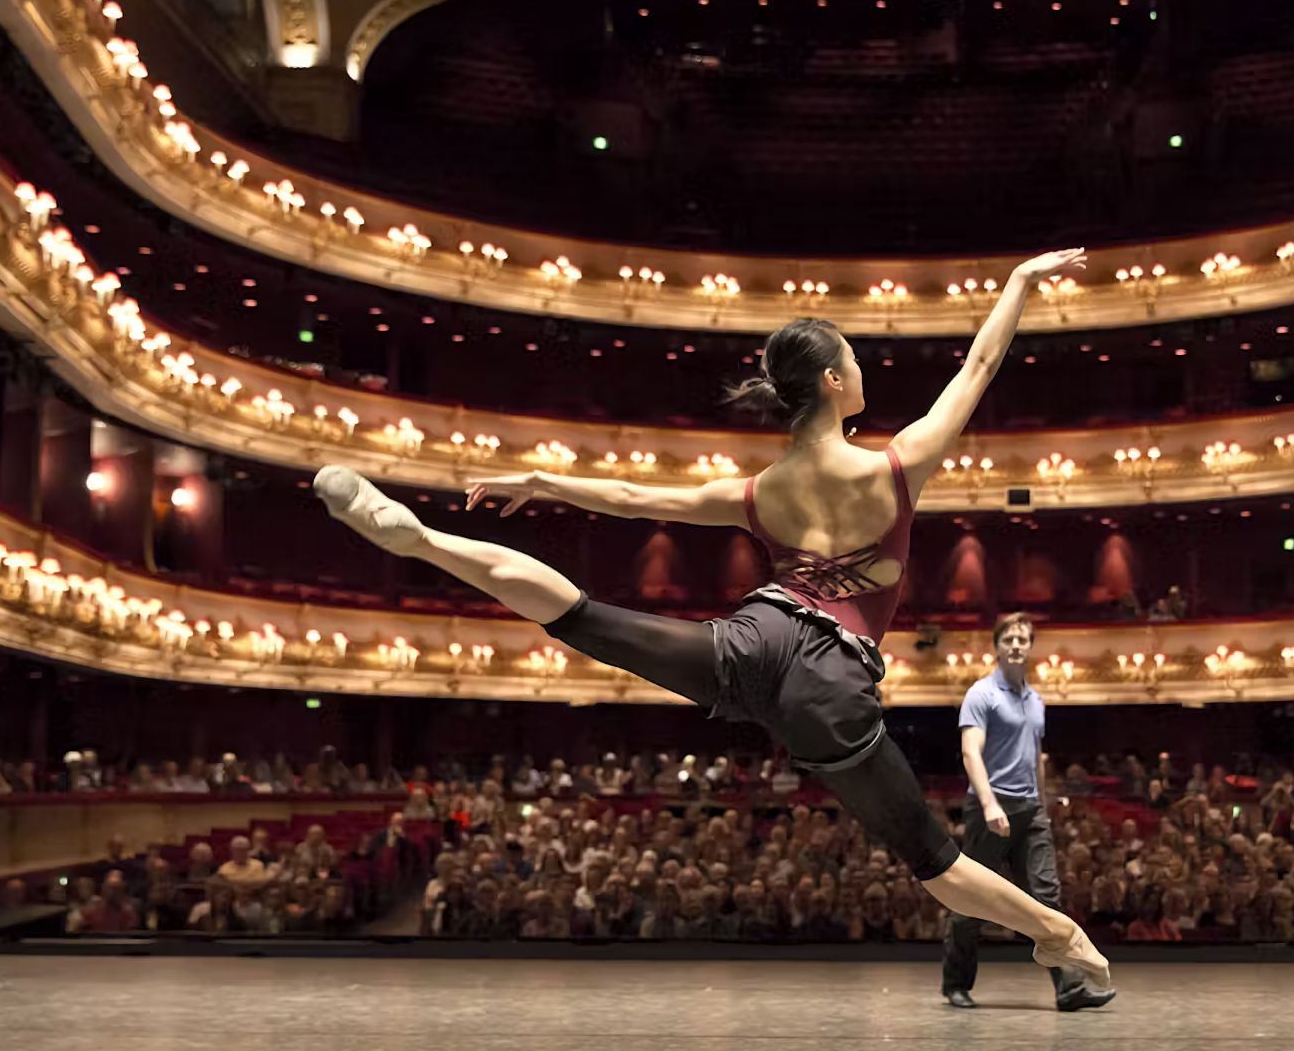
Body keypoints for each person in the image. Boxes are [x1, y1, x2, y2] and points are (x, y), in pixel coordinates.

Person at [313, 249, 1109, 990]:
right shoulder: (898, 464)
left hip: (754, 640)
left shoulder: (755, 491)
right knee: (932, 857)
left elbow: (629, 498)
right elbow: (979, 364)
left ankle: (420, 539)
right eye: (855, 360)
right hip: (829, 684)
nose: (863, 369)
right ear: (833, 381)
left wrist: (543, 478)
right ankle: (1060, 938)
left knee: (588, 621)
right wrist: (1019, 284)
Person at [942, 613, 1112, 1012]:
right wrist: (988, 805)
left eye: (1023, 639)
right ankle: (955, 984)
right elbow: (971, 752)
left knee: (1046, 898)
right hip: (990, 806)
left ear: (1030, 647)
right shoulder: (982, 694)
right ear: (997, 647)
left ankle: (1069, 986)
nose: (1016, 645)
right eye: (1009, 639)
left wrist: (1042, 802)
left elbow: (1035, 756)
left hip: (1030, 808)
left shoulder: (1036, 700)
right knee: (972, 899)